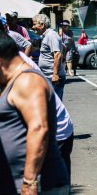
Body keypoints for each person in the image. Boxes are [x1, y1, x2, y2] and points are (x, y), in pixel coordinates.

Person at [0, 31, 69, 195]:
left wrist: (29, 182)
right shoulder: (14, 82)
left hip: (38, 188)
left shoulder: (27, 81)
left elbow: (38, 128)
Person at [19, 51, 74, 184]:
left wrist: (28, 180)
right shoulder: (16, 61)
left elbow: (58, 54)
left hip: (56, 133)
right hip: (55, 129)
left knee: (55, 185)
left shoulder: (23, 73)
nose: (33, 28)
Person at [32, 14, 67, 100]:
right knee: (49, 106)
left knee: (54, 107)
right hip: (48, 76)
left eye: (34, 24)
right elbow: (64, 47)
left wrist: (55, 74)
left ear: (42, 25)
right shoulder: (46, 35)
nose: (33, 27)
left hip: (53, 77)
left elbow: (57, 54)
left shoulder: (51, 35)